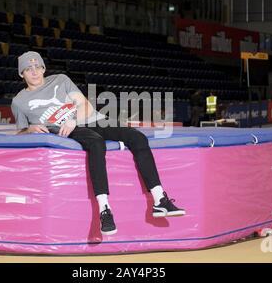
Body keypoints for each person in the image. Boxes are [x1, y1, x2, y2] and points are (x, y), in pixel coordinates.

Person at [11, 51, 185, 236]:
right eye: (29, 69)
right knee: (96, 143)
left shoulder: (60, 79)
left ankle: (159, 200)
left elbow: (85, 105)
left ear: (44, 68)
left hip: (89, 119)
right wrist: (30, 129)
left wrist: (73, 119)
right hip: (64, 129)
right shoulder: (19, 101)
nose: (35, 72)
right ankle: (105, 210)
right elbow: (21, 130)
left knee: (138, 138)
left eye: (38, 67)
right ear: (21, 74)